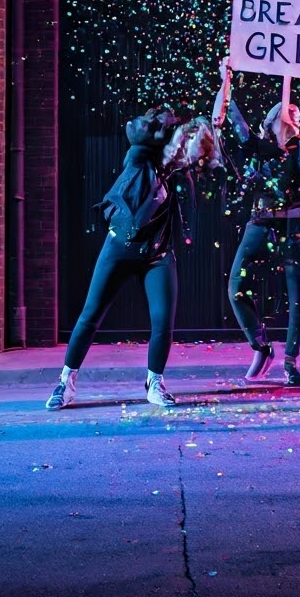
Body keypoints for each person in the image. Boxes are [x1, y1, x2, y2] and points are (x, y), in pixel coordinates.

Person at [45, 108, 222, 410]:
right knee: (90, 316)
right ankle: (66, 382)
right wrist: (167, 121)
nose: (189, 147)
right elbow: (136, 131)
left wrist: (220, 96)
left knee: (162, 320)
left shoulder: (177, 173)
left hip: (158, 255)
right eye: (183, 140)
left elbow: (211, 149)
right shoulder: (140, 158)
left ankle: (154, 382)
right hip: (120, 249)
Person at [213, 57, 300, 386]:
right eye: (288, 112)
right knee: (236, 288)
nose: (294, 115)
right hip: (263, 219)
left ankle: (290, 363)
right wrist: (225, 80)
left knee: (299, 295)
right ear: (272, 121)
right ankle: (261, 346)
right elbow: (232, 119)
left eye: (298, 114)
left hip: (299, 223)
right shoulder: (258, 148)